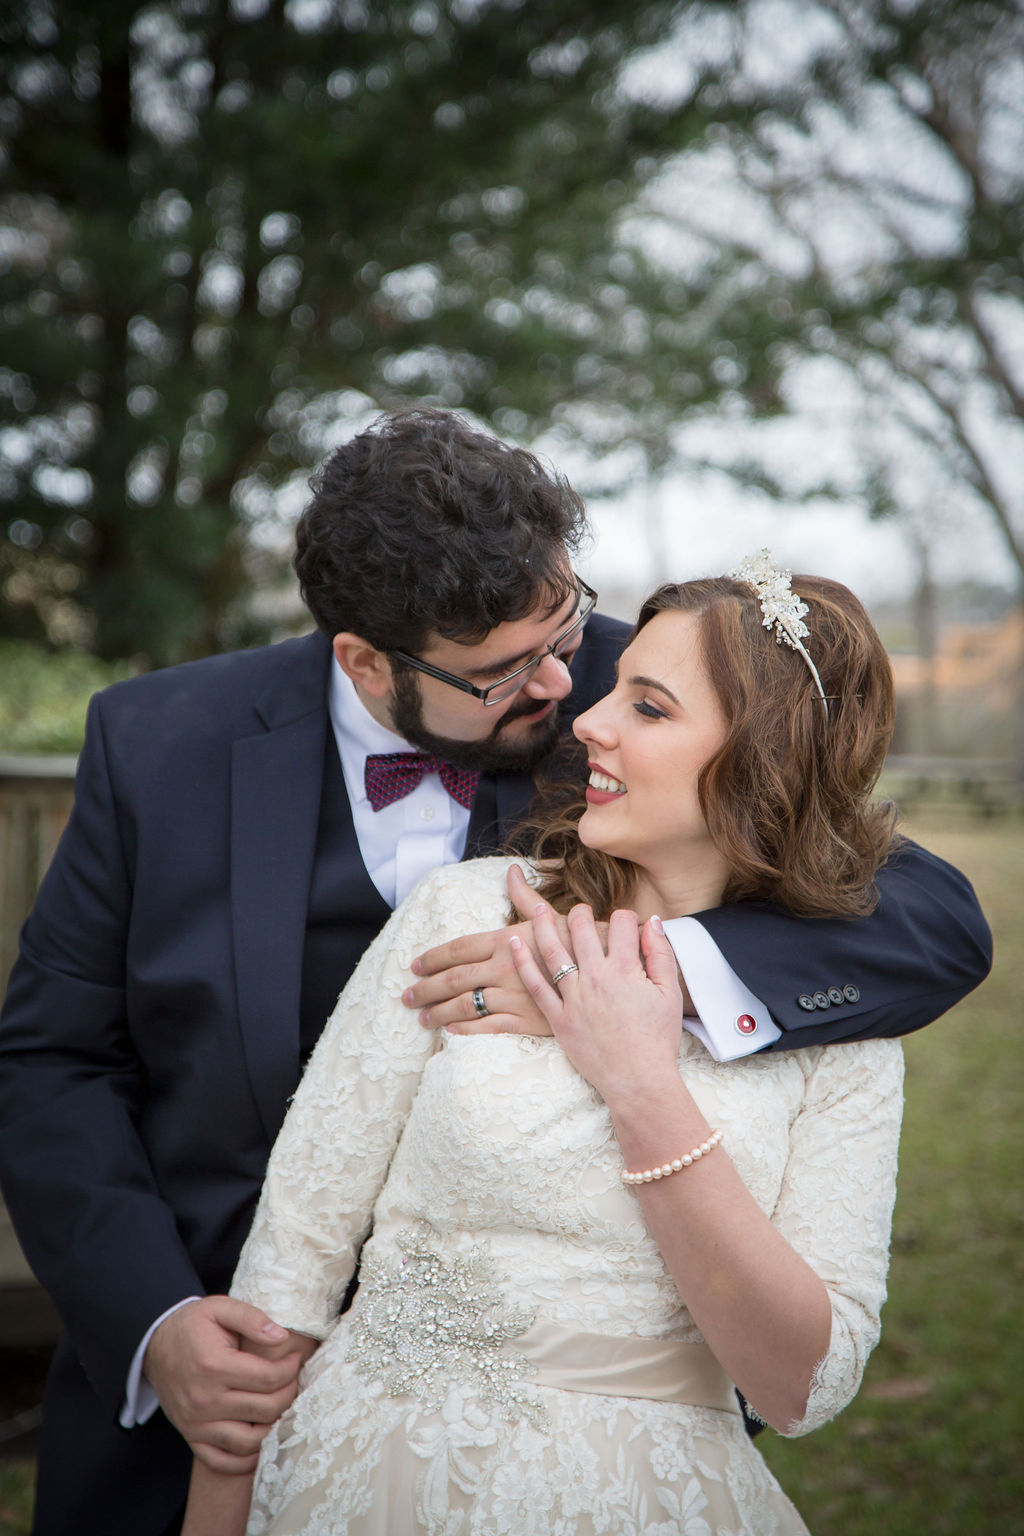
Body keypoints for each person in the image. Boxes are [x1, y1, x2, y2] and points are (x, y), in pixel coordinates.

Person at [0, 409, 988, 1536]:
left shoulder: (658, 683)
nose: (563, 687)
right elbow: (53, 1059)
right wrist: (157, 1321)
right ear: (366, 661)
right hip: (223, 1386)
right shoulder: (157, 740)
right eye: (505, 670)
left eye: (564, 623)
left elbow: (930, 919)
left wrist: (641, 970)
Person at [184, 560, 922, 1535]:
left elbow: (804, 1389)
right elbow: (290, 1262)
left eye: (648, 708)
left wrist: (640, 1079)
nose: (588, 722)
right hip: (361, 1477)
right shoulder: (470, 912)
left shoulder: (846, 1033)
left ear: (765, 755)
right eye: (613, 689)